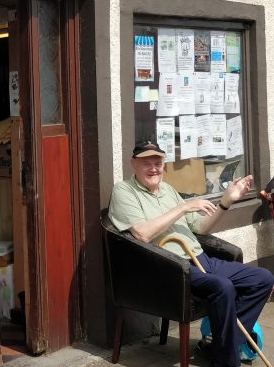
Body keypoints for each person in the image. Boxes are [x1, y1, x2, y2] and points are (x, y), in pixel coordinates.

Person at [109, 141, 274, 367]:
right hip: (169, 268)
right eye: (146, 163)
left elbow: (201, 228)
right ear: (132, 165)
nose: (154, 168)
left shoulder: (168, 190)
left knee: (262, 279)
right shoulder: (123, 191)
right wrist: (182, 208)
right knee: (222, 287)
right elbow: (141, 234)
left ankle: (220, 344)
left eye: (158, 163)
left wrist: (227, 201)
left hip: (199, 258)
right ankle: (227, 360)